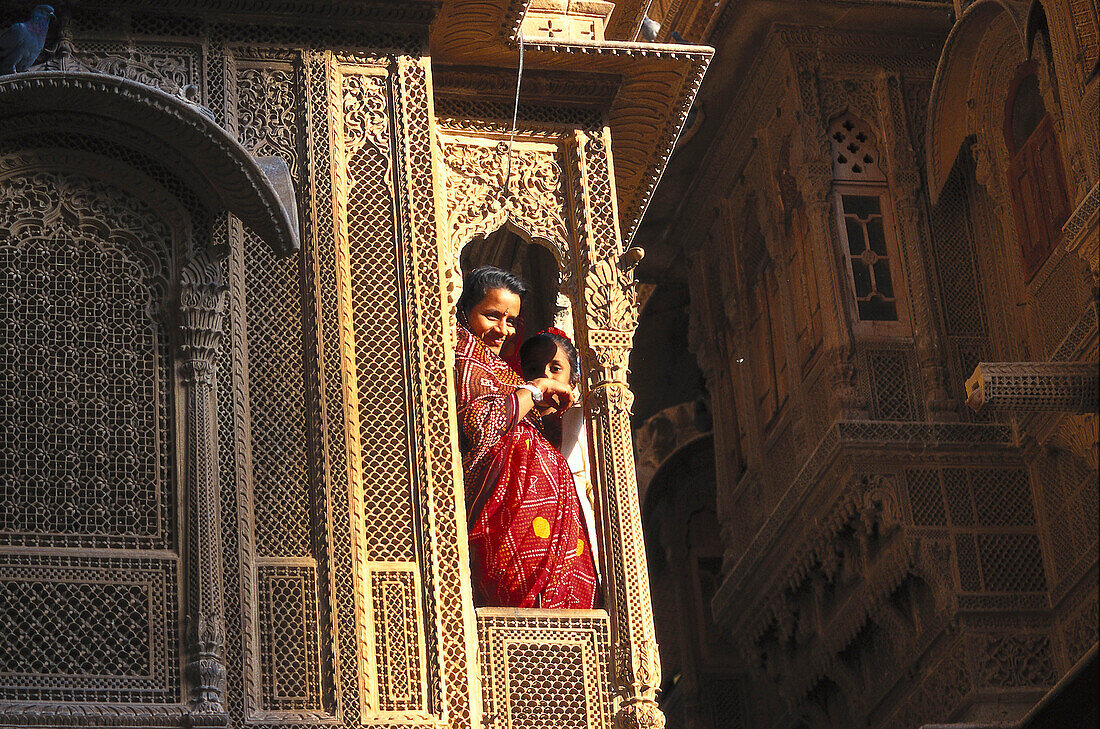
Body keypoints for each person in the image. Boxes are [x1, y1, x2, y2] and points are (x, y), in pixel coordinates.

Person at [454, 266, 598, 609]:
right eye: (492, 315)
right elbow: (484, 426)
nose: (502, 330)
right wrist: (533, 390)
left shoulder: (499, 368)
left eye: (512, 320)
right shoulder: (464, 355)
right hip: (504, 525)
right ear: (464, 311)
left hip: (546, 533)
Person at [519, 328, 601, 586]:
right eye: (533, 369)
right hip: (526, 548)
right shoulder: (516, 423)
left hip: (578, 547)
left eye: (555, 369)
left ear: (572, 382)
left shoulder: (582, 423)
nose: (544, 376)